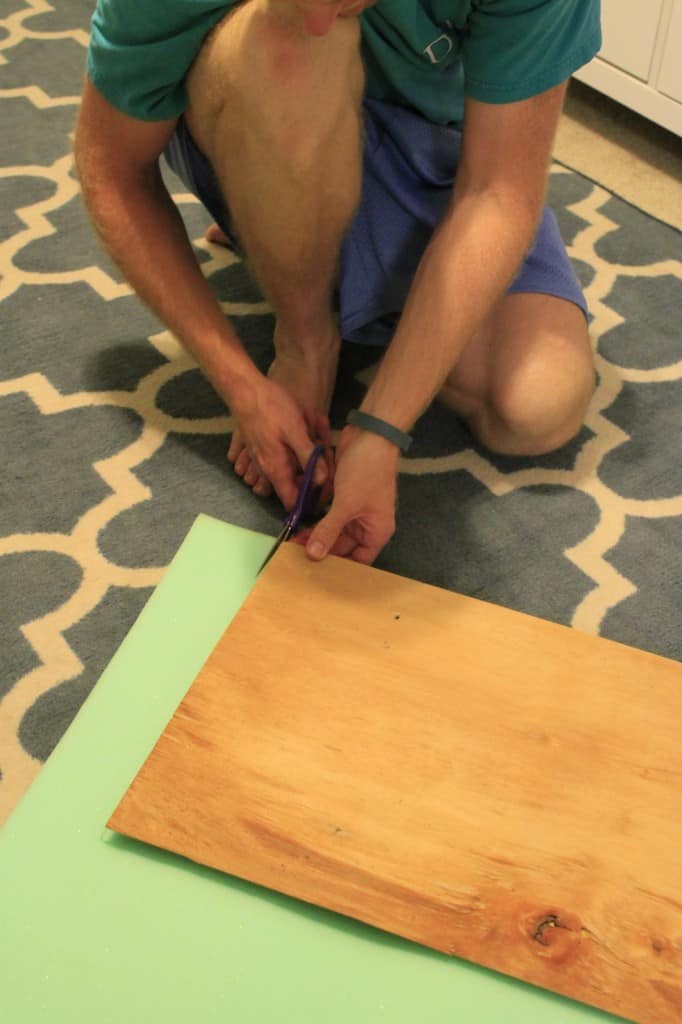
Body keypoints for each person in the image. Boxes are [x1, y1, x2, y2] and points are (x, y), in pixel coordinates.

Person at [75, 0, 601, 564]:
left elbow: (497, 190)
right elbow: (111, 165)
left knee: (536, 408)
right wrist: (241, 384)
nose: (326, 13)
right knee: (294, 42)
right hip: (251, 96)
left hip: (433, 150)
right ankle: (306, 334)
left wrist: (382, 429)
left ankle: (292, 239)